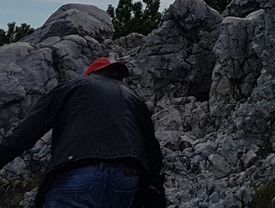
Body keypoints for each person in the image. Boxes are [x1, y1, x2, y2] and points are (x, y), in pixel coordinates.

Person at [0, 57, 166, 208]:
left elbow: (27, 132)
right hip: (126, 179)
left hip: (79, 173)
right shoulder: (133, 97)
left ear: (90, 73)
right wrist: (154, 187)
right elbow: (152, 150)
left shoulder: (72, 87)